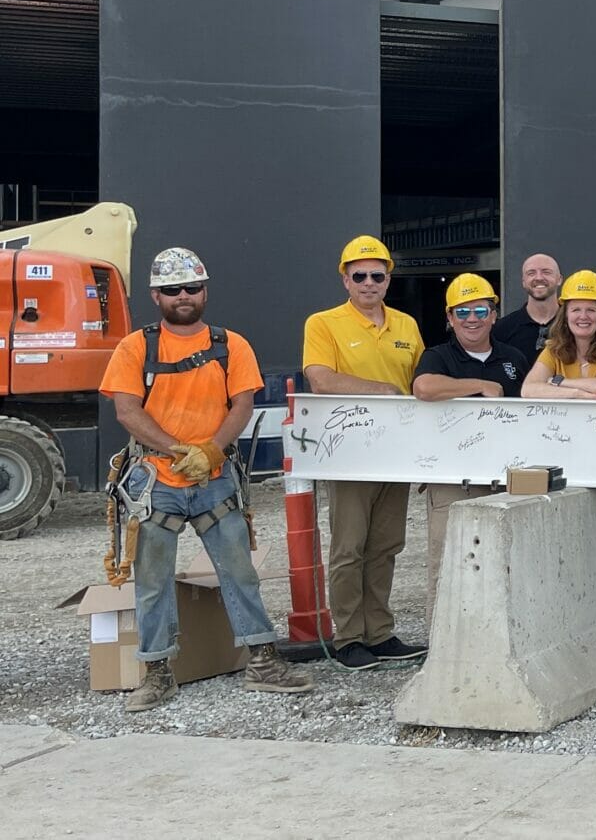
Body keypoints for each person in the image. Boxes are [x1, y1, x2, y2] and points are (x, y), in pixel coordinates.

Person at [102, 248, 313, 712]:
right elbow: (126, 410)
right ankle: (157, 671)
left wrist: (213, 450)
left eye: (192, 288)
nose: (183, 297)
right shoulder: (135, 347)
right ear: (156, 295)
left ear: (204, 291)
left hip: (216, 478)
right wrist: (178, 449)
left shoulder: (230, 344)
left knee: (239, 572)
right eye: (173, 290)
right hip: (155, 479)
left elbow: (242, 404)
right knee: (153, 579)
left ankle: (262, 661)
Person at [302, 234, 427, 670]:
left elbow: (421, 382)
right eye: (360, 276)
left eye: (378, 275)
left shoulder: (406, 326)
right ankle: (348, 637)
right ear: (345, 279)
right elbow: (320, 379)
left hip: (396, 452)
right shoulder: (323, 323)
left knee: (387, 544)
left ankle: (380, 632)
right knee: (349, 546)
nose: (369, 283)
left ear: (388, 279)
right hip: (350, 452)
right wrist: (384, 392)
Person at [413, 273, 529, 599]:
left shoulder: (513, 359)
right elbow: (423, 387)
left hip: (503, 479)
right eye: (462, 312)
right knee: (447, 563)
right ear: (450, 318)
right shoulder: (438, 357)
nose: (472, 320)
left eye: (480, 311)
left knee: (502, 564)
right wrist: (478, 387)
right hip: (452, 480)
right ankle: (442, 646)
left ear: (494, 315)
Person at [522, 271, 596, 399]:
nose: (583, 316)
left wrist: (558, 381)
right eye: (576, 310)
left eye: (591, 310)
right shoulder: (553, 350)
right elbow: (528, 390)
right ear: (565, 316)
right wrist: (576, 394)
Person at [492, 253, 561, 356]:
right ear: (523, 282)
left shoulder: (574, 326)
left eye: (546, 272)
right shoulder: (501, 330)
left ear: (559, 279)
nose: (538, 278)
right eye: (531, 273)